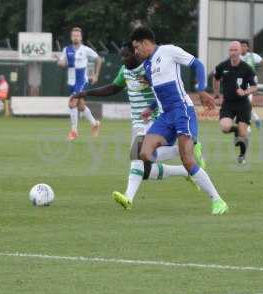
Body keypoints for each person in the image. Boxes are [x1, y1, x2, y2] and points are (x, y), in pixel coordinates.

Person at [73, 42, 202, 207]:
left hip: (153, 119)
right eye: (122, 57)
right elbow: (113, 88)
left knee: (136, 157)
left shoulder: (149, 67)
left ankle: (128, 198)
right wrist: (86, 93)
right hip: (137, 122)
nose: (124, 60)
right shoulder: (125, 70)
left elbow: (164, 91)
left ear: (136, 54)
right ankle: (186, 169)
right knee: (146, 171)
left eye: (127, 56)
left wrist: (151, 104)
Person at [130, 27, 228, 215]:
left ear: (145, 43)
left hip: (182, 110)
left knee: (187, 161)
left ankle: (218, 201)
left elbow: (197, 64)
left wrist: (201, 88)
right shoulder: (148, 66)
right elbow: (160, 92)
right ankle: (191, 146)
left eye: (137, 47)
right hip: (165, 116)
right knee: (142, 153)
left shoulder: (168, 50)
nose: (136, 52)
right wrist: (150, 108)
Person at [213, 41, 258, 164]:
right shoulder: (222, 66)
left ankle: (242, 155)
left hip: (243, 104)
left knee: (243, 134)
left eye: (235, 50)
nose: (233, 52)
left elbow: (255, 87)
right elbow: (216, 78)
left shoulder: (246, 68)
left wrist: (245, 92)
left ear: (240, 52)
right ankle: (236, 130)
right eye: (231, 50)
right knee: (225, 127)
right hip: (228, 103)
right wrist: (216, 94)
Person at [57, 27, 103, 141]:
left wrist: (96, 75)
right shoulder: (66, 50)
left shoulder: (86, 49)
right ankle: (95, 123)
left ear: (81, 37)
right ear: (71, 37)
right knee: (81, 106)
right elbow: (62, 63)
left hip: (81, 81)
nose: (75, 37)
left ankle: (74, 131)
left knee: (72, 103)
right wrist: (60, 63)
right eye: (74, 35)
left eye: (77, 35)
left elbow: (98, 59)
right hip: (71, 81)